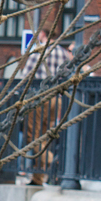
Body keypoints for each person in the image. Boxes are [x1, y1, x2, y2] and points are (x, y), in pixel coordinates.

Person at [17, 30, 73, 185]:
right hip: (56, 98)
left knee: (32, 137)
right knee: (45, 136)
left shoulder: (38, 51)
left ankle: (50, 160)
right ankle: (38, 178)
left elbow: (26, 75)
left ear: (42, 34)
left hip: (38, 98)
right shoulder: (62, 53)